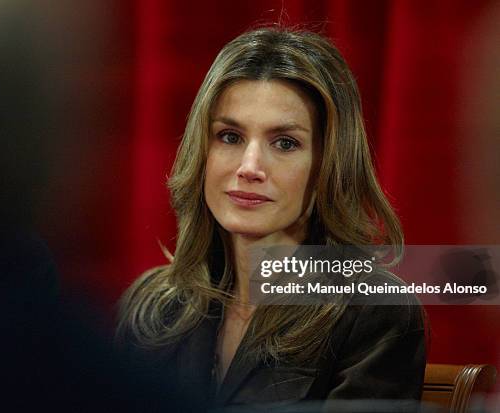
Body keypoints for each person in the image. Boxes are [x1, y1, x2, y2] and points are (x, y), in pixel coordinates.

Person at [116, 27, 426, 412]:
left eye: (285, 143)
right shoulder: (150, 307)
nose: (250, 167)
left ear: (329, 166)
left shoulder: (372, 313)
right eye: (230, 136)